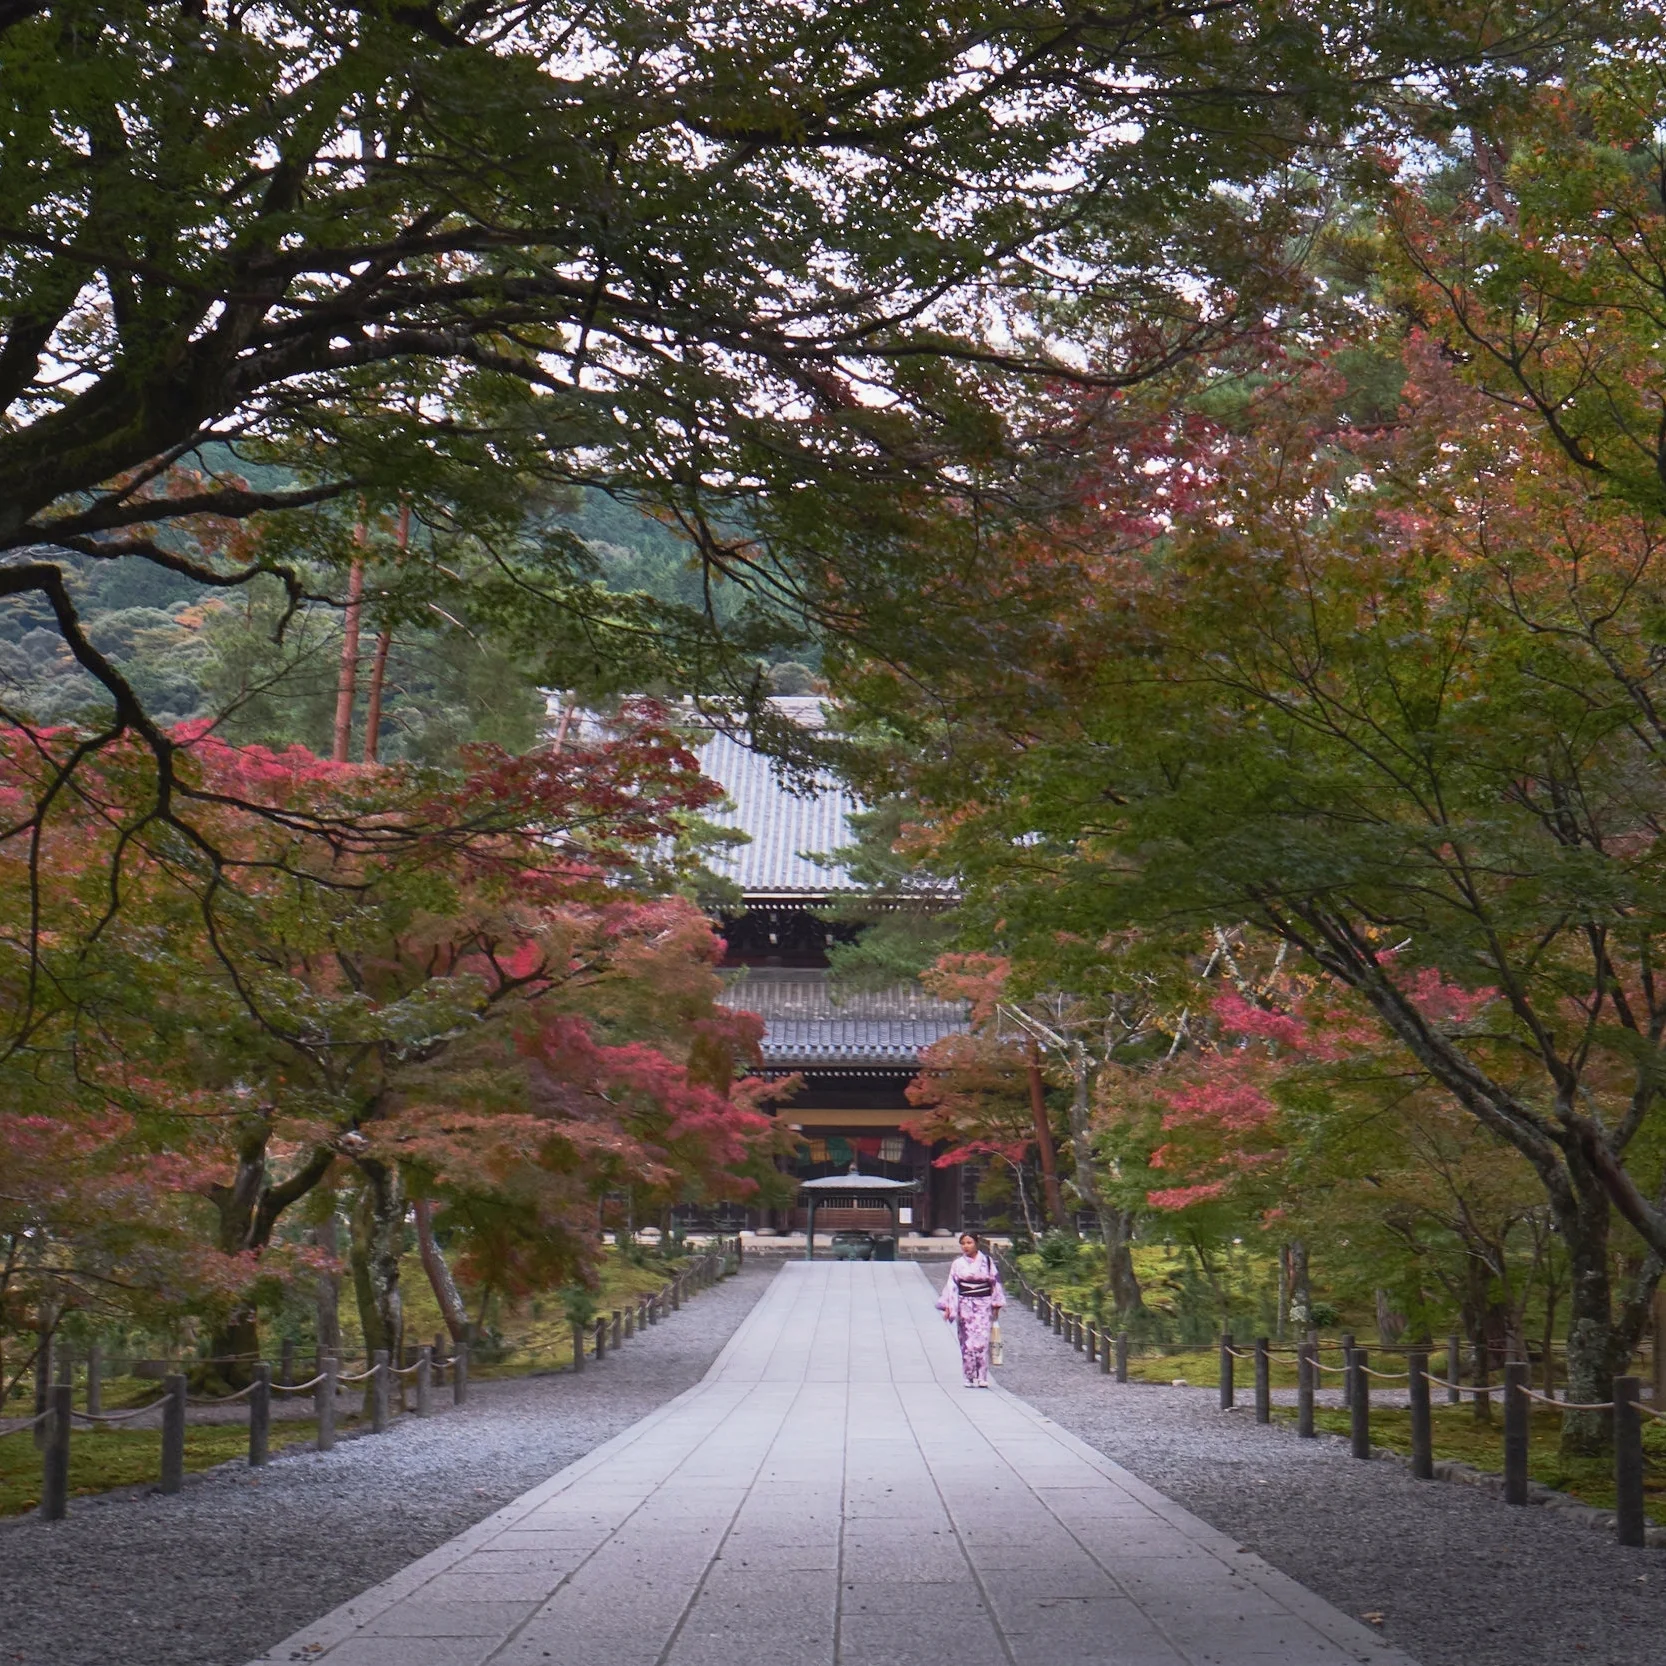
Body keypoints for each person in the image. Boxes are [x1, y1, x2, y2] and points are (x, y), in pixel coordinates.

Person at [937, 1231, 1006, 1387]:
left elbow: (995, 1283)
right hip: (964, 1303)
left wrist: (996, 1304)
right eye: (963, 1243)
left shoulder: (987, 1262)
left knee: (982, 1340)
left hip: (984, 1303)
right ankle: (968, 1375)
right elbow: (952, 1285)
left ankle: (982, 1376)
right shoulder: (957, 1264)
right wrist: (949, 1306)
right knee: (967, 1341)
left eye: (969, 1243)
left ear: (976, 1243)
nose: (966, 1246)